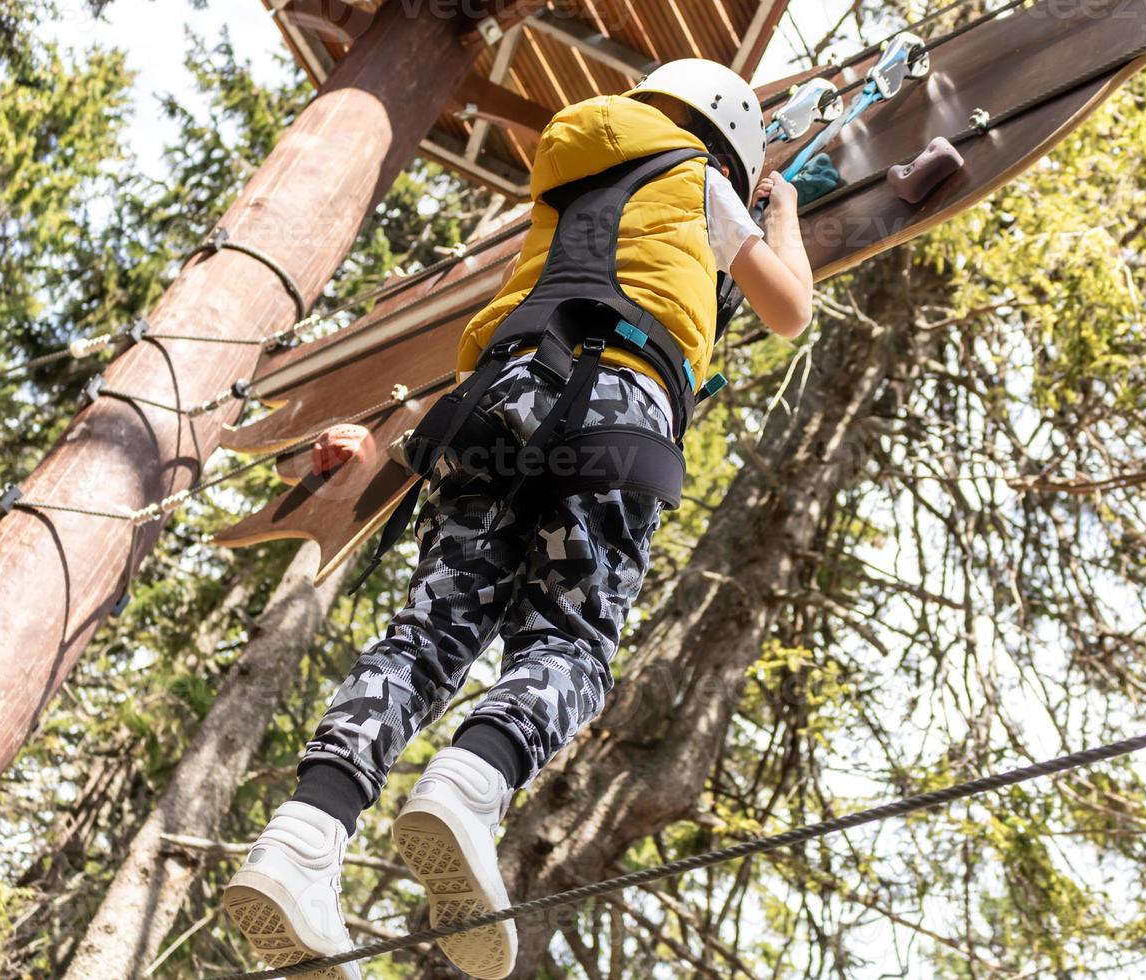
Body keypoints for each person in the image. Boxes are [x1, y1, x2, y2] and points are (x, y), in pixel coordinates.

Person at [223, 59, 812, 980]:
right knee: (570, 643)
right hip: (616, 406)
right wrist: (779, 218)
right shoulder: (699, 180)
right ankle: (472, 781)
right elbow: (788, 309)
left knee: (426, 638)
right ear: (723, 139)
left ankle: (302, 839)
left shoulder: (562, 191)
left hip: (491, 403)